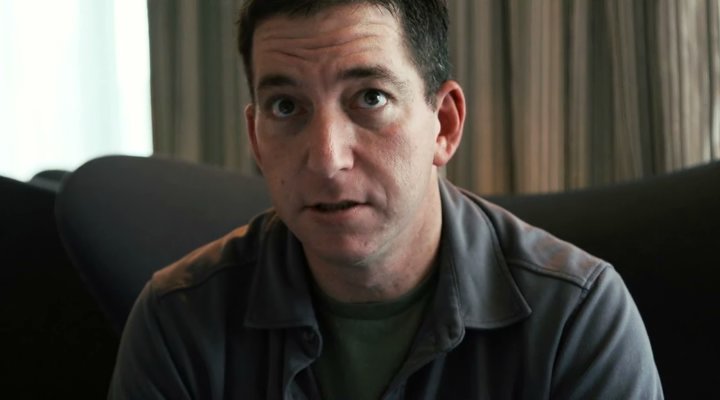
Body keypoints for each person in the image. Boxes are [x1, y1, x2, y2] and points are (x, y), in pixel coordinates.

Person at [109, 0, 664, 398]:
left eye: (370, 98)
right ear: (256, 140)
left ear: (444, 125)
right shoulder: (177, 320)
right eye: (286, 107)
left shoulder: (576, 319)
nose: (327, 158)